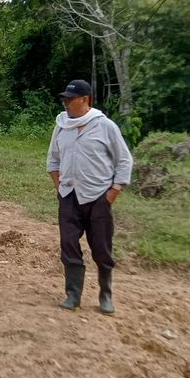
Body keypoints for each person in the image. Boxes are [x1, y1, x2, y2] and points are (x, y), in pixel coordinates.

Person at [46, 78, 133, 315]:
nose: (65, 103)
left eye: (70, 99)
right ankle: (73, 294)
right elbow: (53, 160)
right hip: (69, 196)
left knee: (101, 247)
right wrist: (59, 188)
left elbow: (124, 160)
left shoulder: (105, 126)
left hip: (98, 198)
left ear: (85, 100)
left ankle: (106, 294)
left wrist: (113, 193)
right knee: (68, 245)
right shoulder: (61, 126)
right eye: (64, 99)